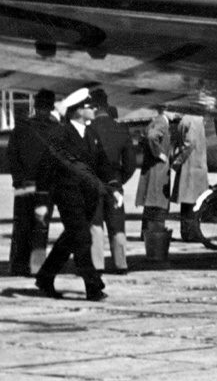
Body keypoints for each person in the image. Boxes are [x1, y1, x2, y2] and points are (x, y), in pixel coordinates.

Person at [35, 89, 119, 301]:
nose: (93, 109)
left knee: (71, 239)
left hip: (89, 198)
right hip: (68, 195)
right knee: (82, 238)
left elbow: (103, 163)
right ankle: (93, 286)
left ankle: (44, 277)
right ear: (78, 112)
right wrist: (43, 200)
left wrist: (114, 187)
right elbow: (45, 168)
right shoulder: (60, 135)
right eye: (89, 107)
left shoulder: (91, 134)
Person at [7, 89, 55, 276]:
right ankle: (37, 266)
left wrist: (18, 180)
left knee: (21, 225)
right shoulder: (57, 129)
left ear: (35, 105)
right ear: (51, 107)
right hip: (46, 186)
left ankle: (18, 265)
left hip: (23, 184)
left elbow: (11, 156)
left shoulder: (21, 127)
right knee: (41, 226)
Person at [88, 89, 135, 274]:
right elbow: (130, 163)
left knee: (95, 224)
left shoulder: (88, 130)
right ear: (107, 106)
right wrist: (119, 180)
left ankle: (97, 265)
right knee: (117, 225)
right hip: (115, 182)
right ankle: (121, 264)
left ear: (93, 106)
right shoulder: (121, 130)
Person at [136, 109, 174, 240]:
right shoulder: (163, 123)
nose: (176, 113)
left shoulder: (154, 121)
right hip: (159, 169)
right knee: (158, 202)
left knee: (150, 202)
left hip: (151, 168)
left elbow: (144, 137)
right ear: (165, 110)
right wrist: (159, 153)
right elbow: (152, 136)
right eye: (173, 110)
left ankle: (146, 233)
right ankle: (156, 235)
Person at [172, 114, 210, 243]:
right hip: (194, 165)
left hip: (188, 166)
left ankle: (186, 232)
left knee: (186, 201)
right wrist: (180, 159)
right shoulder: (196, 119)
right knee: (194, 202)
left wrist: (177, 159)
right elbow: (191, 142)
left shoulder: (185, 120)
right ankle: (192, 233)